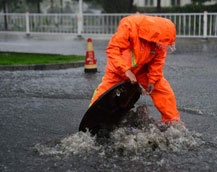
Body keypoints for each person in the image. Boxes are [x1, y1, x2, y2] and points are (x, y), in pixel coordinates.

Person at [89, 14, 180, 123]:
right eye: (162, 44)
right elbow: (113, 49)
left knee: (163, 90)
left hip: (142, 70)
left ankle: (173, 123)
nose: (162, 47)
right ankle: (91, 120)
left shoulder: (160, 41)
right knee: (103, 93)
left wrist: (152, 79)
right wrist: (126, 71)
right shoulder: (129, 26)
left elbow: (158, 61)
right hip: (118, 70)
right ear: (155, 36)